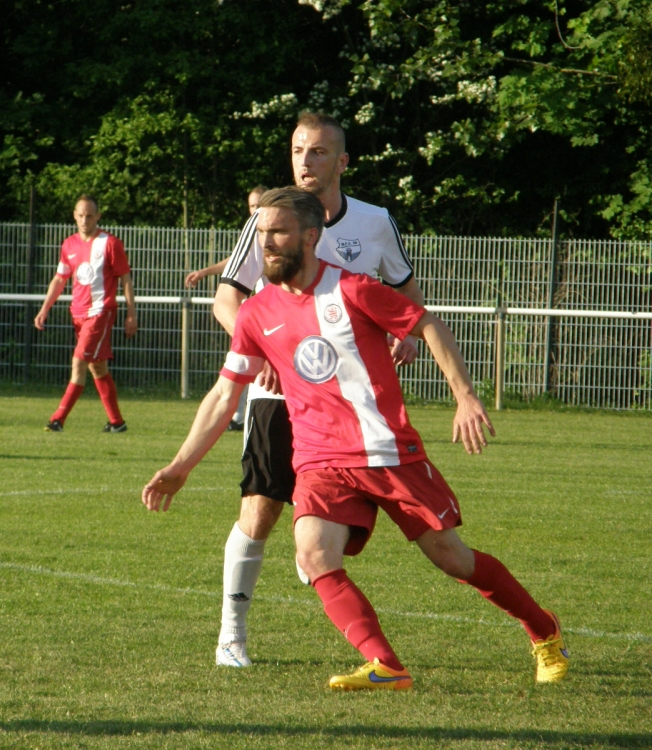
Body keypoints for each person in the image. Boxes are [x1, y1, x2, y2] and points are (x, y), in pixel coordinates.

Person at [143, 187, 569, 691]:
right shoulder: (256, 314)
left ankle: (544, 630)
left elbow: (426, 322)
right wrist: (180, 465)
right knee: (313, 554)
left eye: (277, 232)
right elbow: (222, 395)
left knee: (452, 558)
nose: (267, 245)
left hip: (388, 452)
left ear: (310, 236)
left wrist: (465, 396)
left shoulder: (353, 290)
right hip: (321, 460)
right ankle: (386, 665)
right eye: (261, 234)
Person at [210, 112, 423, 668]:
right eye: (299, 150)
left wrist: (411, 335)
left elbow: (406, 293)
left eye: (319, 151)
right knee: (259, 511)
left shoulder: (375, 223)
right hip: (279, 395)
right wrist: (264, 349)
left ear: (342, 161)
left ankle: (364, 636)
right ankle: (232, 632)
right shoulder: (268, 219)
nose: (306, 161)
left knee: (342, 539)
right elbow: (226, 298)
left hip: (353, 409)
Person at [34, 195, 138, 432]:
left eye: (89, 215)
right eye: (80, 215)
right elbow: (60, 279)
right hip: (78, 314)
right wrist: (44, 309)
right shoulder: (69, 244)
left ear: (98, 216)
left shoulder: (110, 243)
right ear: (74, 215)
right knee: (97, 367)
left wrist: (131, 313)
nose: (84, 220)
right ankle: (117, 423)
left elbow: (126, 279)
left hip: (100, 312)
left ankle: (57, 419)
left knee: (78, 362)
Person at [184, 186, 267, 432]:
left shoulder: (276, 232)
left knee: (242, 368)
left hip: (277, 319)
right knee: (239, 365)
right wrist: (205, 272)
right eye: (252, 206)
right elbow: (234, 262)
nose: (257, 209)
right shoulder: (253, 231)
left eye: (260, 203)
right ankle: (239, 416)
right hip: (255, 318)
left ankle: (240, 416)